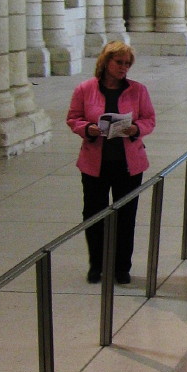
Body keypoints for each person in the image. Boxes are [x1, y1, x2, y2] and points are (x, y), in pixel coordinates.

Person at [66, 41, 156, 285]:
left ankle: (121, 267)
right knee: (94, 214)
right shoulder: (85, 89)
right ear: (106, 62)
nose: (123, 68)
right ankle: (97, 264)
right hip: (96, 163)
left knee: (126, 216)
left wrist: (135, 128)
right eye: (119, 63)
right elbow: (73, 118)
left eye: (127, 64)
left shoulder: (138, 90)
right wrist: (89, 129)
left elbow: (149, 119)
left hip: (128, 164)